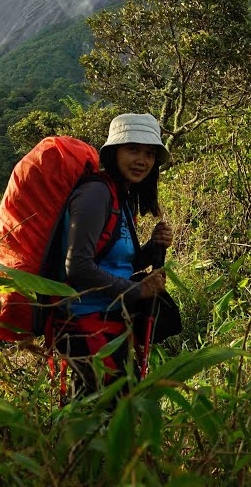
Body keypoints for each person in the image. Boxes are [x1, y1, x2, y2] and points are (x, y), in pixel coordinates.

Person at [52, 113, 174, 399]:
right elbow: (78, 267)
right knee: (98, 417)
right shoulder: (96, 194)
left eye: (149, 153)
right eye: (132, 150)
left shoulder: (122, 197)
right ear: (113, 152)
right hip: (87, 325)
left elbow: (116, 262)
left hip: (111, 322)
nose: (142, 160)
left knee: (112, 414)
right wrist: (137, 289)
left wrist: (152, 248)